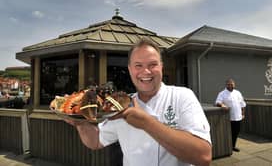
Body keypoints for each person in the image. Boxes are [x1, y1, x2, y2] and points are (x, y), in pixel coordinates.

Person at [66, 38, 212, 166]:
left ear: (162, 67)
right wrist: (80, 123)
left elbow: (203, 156)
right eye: (138, 65)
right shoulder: (119, 105)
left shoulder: (182, 96)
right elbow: (96, 141)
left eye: (152, 64)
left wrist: (145, 122)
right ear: (130, 69)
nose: (146, 72)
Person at [215, 78, 246, 152]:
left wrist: (243, 113)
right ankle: (227, 147)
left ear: (234, 84)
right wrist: (222, 105)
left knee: (236, 132)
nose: (230, 85)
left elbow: (242, 104)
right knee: (228, 133)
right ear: (226, 85)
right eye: (229, 84)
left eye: (232, 84)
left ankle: (233, 146)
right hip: (228, 118)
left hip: (238, 117)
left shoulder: (238, 92)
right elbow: (217, 102)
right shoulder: (222, 93)